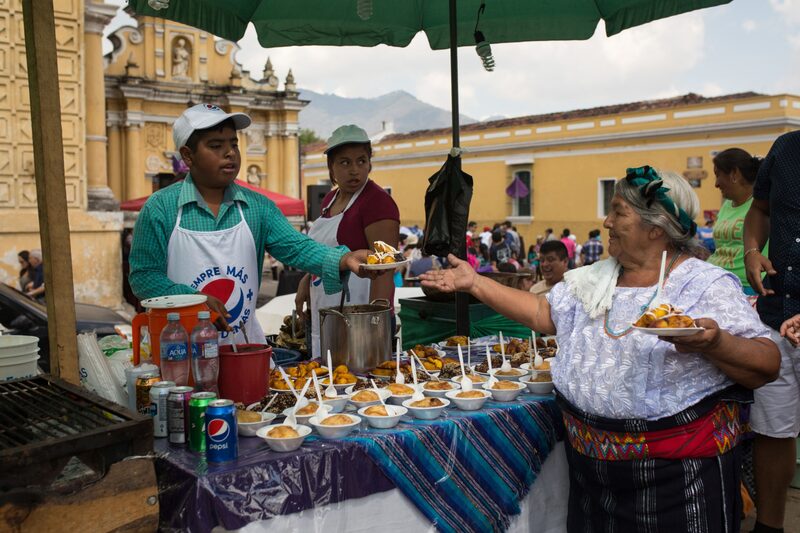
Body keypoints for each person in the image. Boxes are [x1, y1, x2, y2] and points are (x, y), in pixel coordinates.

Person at [421, 165, 779, 532]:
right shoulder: (597, 277)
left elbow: (767, 363)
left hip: (678, 480)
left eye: (619, 212)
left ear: (656, 227)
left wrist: (716, 342)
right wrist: (475, 283)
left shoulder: (703, 284)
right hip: (592, 477)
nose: (607, 222)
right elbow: (544, 312)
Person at [129, 104, 378, 346]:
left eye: (233, 144)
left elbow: (297, 247)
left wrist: (343, 259)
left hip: (244, 349)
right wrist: (193, 300)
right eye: (216, 146)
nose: (230, 153)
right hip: (177, 353)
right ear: (188, 156)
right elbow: (144, 277)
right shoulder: (160, 208)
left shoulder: (257, 207)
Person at [295, 124, 400, 357]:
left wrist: (373, 324)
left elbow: (384, 268)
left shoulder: (377, 202)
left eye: (361, 161)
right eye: (345, 162)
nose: (355, 170)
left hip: (360, 318)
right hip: (328, 309)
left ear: (370, 163)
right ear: (331, 166)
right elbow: (325, 251)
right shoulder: (330, 199)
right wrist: (306, 281)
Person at [742, 130, 800, 533]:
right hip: (775, 313)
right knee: (772, 431)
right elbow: (759, 210)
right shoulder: (786, 148)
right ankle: (769, 526)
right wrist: (752, 251)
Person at [707, 148, 764, 296]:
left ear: (734, 174)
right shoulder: (727, 205)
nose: (716, 184)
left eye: (718, 175)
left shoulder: (761, 205)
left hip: (746, 287)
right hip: (715, 281)